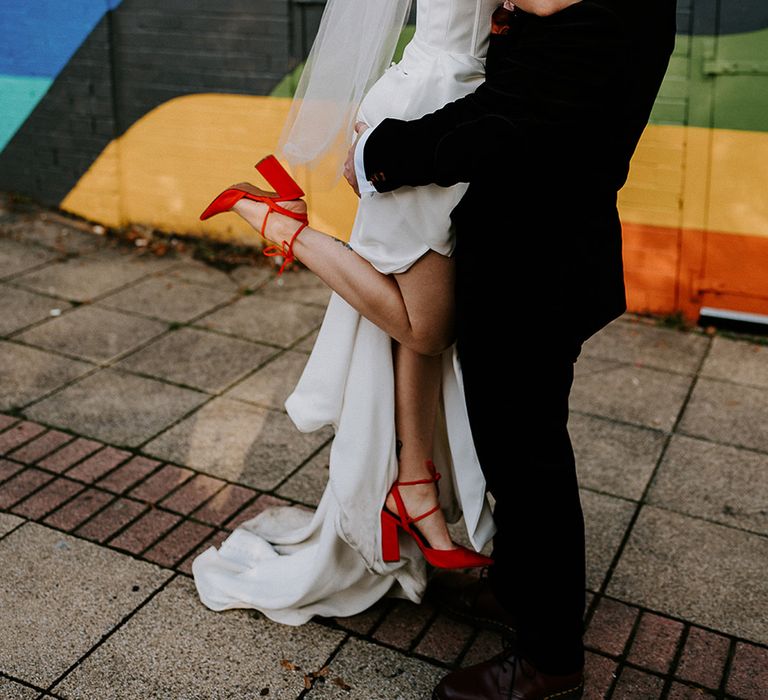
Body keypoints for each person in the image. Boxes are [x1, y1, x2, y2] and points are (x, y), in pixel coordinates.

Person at [340, 0, 678, 698]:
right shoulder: (599, 16)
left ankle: (548, 665)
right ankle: (523, 589)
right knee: (512, 447)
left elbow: (495, 123)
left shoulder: (599, 26)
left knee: (530, 465)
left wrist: (379, 152)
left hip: (534, 271)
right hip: (542, 257)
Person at [192, 0, 518, 626]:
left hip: (449, 104)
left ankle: (416, 485)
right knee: (429, 324)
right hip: (433, 107)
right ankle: (284, 227)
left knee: (423, 328)